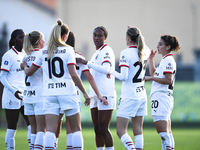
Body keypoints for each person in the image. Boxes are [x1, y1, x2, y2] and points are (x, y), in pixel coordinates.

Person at [22, 19, 90, 150]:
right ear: (65, 36)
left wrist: (24, 65)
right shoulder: (68, 50)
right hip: (67, 93)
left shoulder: (44, 51)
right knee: (76, 129)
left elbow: (29, 72)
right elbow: (73, 74)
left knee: (51, 130)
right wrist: (85, 93)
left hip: (49, 94)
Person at [107, 26, 150, 150]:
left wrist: (111, 71)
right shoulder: (145, 50)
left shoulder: (125, 53)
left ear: (128, 39)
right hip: (142, 95)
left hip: (129, 95)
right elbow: (143, 45)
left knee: (121, 131)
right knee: (138, 130)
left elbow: (124, 76)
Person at [64, 31, 109, 150]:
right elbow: (89, 77)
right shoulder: (78, 56)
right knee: (74, 127)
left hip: (55, 92)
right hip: (74, 94)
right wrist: (97, 95)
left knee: (54, 129)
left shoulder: (56, 54)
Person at [76, 26, 116, 150]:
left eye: (100, 35)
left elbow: (106, 69)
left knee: (104, 129)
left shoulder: (107, 50)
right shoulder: (96, 54)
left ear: (105, 37)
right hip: (94, 94)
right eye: (95, 35)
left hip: (105, 93)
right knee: (97, 129)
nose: (96, 38)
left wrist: (85, 62)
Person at [145, 35, 181, 150]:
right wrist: (151, 59)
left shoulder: (168, 60)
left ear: (168, 47)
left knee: (163, 133)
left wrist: (150, 79)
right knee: (167, 133)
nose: (157, 46)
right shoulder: (165, 60)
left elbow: (168, 80)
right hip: (162, 98)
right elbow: (153, 74)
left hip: (162, 98)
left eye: (160, 44)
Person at [0, 29, 31, 150]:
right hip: (12, 95)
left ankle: (33, 147)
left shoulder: (25, 54)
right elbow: (2, 77)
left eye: (24, 37)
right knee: (12, 128)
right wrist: (14, 91)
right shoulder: (8, 55)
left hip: (25, 95)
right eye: (21, 37)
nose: (23, 40)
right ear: (14, 40)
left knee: (31, 125)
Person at [21, 30, 46, 150]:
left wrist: (24, 65)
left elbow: (25, 68)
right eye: (44, 40)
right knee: (42, 129)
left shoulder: (26, 56)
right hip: (39, 95)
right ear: (40, 41)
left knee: (33, 128)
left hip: (28, 95)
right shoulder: (41, 54)